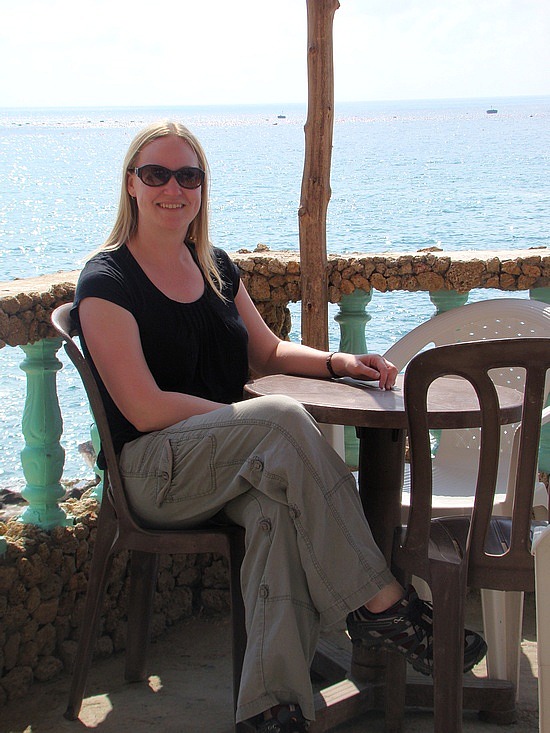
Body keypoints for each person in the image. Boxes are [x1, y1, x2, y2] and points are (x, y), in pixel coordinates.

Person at [72, 120, 487, 733]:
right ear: (131, 183)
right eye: (156, 174)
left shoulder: (214, 266)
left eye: (188, 176)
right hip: (151, 473)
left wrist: (338, 362)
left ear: (203, 187)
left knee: (277, 511)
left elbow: (266, 353)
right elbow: (143, 408)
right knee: (281, 421)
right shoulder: (107, 280)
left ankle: (272, 709)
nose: (173, 188)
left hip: (227, 465)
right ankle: (382, 604)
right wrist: (248, 424)